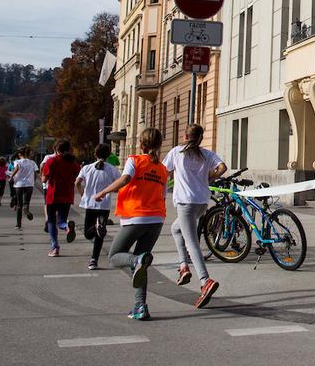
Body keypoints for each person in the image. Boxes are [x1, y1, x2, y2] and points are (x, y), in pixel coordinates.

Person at [94, 128, 166, 321]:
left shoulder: (134, 160)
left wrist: (103, 192)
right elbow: (162, 194)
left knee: (114, 256)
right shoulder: (162, 169)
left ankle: (135, 261)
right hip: (156, 219)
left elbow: (125, 179)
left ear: (141, 144)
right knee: (142, 265)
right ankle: (140, 306)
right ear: (159, 145)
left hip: (136, 216)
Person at [164, 124, 226, 308]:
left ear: (184, 136)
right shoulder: (207, 154)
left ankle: (204, 280)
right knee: (175, 229)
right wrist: (209, 178)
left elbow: (164, 171)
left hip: (185, 202)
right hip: (201, 202)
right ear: (200, 138)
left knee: (191, 242)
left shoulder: (177, 152)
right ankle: (184, 267)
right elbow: (223, 167)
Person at [77, 143, 122, 270]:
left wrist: (83, 194)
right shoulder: (113, 169)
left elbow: (77, 183)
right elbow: (120, 183)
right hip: (104, 204)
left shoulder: (86, 168)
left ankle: (97, 227)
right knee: (99, 235)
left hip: (90, 203)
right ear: (108, 155)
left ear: (95, 154)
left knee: (88, 233)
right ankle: (94, 260)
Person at [42, 140, 81, 257]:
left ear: (57, 149)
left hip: (53, 195)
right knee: (61, 221)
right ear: (69, 149)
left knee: (51, 221)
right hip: (67, 195)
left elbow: (44, 179)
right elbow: (77, 177)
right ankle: (66, 226)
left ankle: (55, 247)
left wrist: (44, 176)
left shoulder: (52, 161)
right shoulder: (74, 164)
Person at [10, 147, 38, 229]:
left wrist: (11, 176)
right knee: (26, 202)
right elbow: (35, 172)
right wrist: (34, 181)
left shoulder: (17, 161)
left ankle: (18, 224)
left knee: (19, 204)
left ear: (19, 154)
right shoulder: (32, 162)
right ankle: (26, 209)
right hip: (29, 185)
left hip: (19, 185)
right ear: (28, 153)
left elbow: (16, 169)